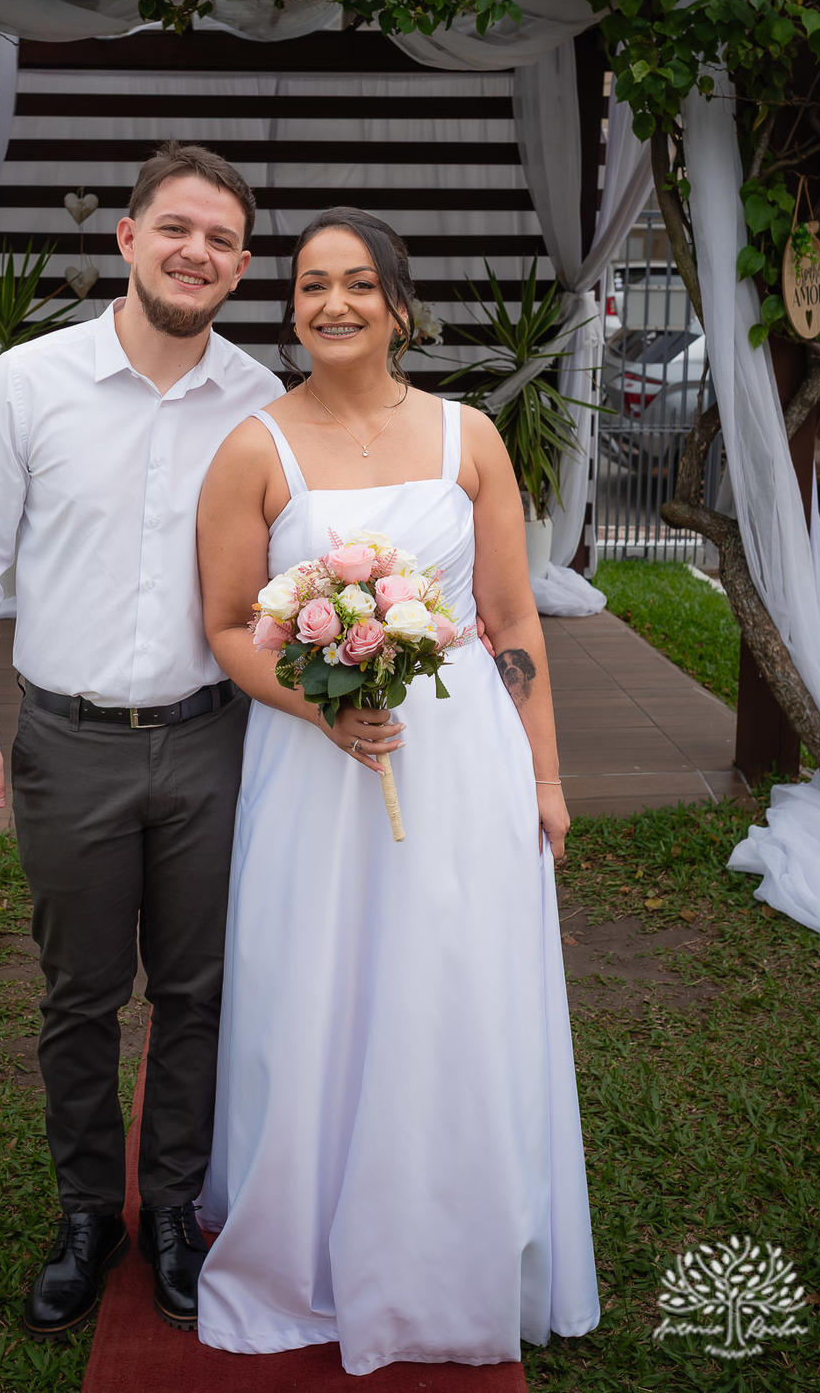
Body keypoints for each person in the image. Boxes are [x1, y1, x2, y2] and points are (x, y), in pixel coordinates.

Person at [194, 208, 600, 1375]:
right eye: (312, 284)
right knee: (311, 982)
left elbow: (513, 619)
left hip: (461, 757)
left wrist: (547, 774)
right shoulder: (252, 449)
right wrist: (322, 703)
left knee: (448, 985)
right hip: (314, 764)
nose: (333, 303)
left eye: (358, 284)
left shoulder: (470, 438)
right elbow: (227, 626)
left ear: (399, 306)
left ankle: (444, 1240)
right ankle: (307, 1242)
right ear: (293, 309)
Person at [0, 141, 283, 1341]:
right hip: (67, 742)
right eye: (177, 227)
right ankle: (91, 1212)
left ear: (239, 268)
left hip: (211, 745)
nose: (198, 252)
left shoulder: (260, 403)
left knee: (198, 992)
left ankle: (174, 1205)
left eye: (223, 239)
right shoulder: (27, 384)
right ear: (127, 239)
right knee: (81, 996)